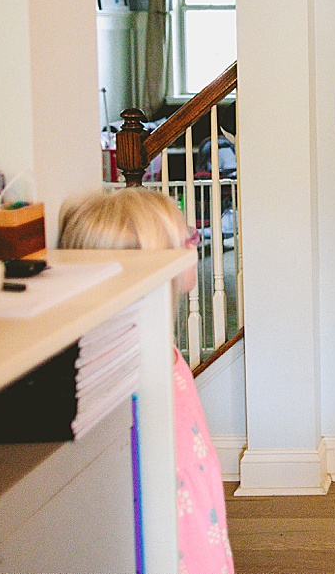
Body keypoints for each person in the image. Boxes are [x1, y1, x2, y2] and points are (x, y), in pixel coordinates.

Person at [59, 188, 235, 574]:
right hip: (169, 520)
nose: (195, 243)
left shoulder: (160, 349)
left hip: (195, 503)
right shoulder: (122, 364)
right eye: (186, 239)